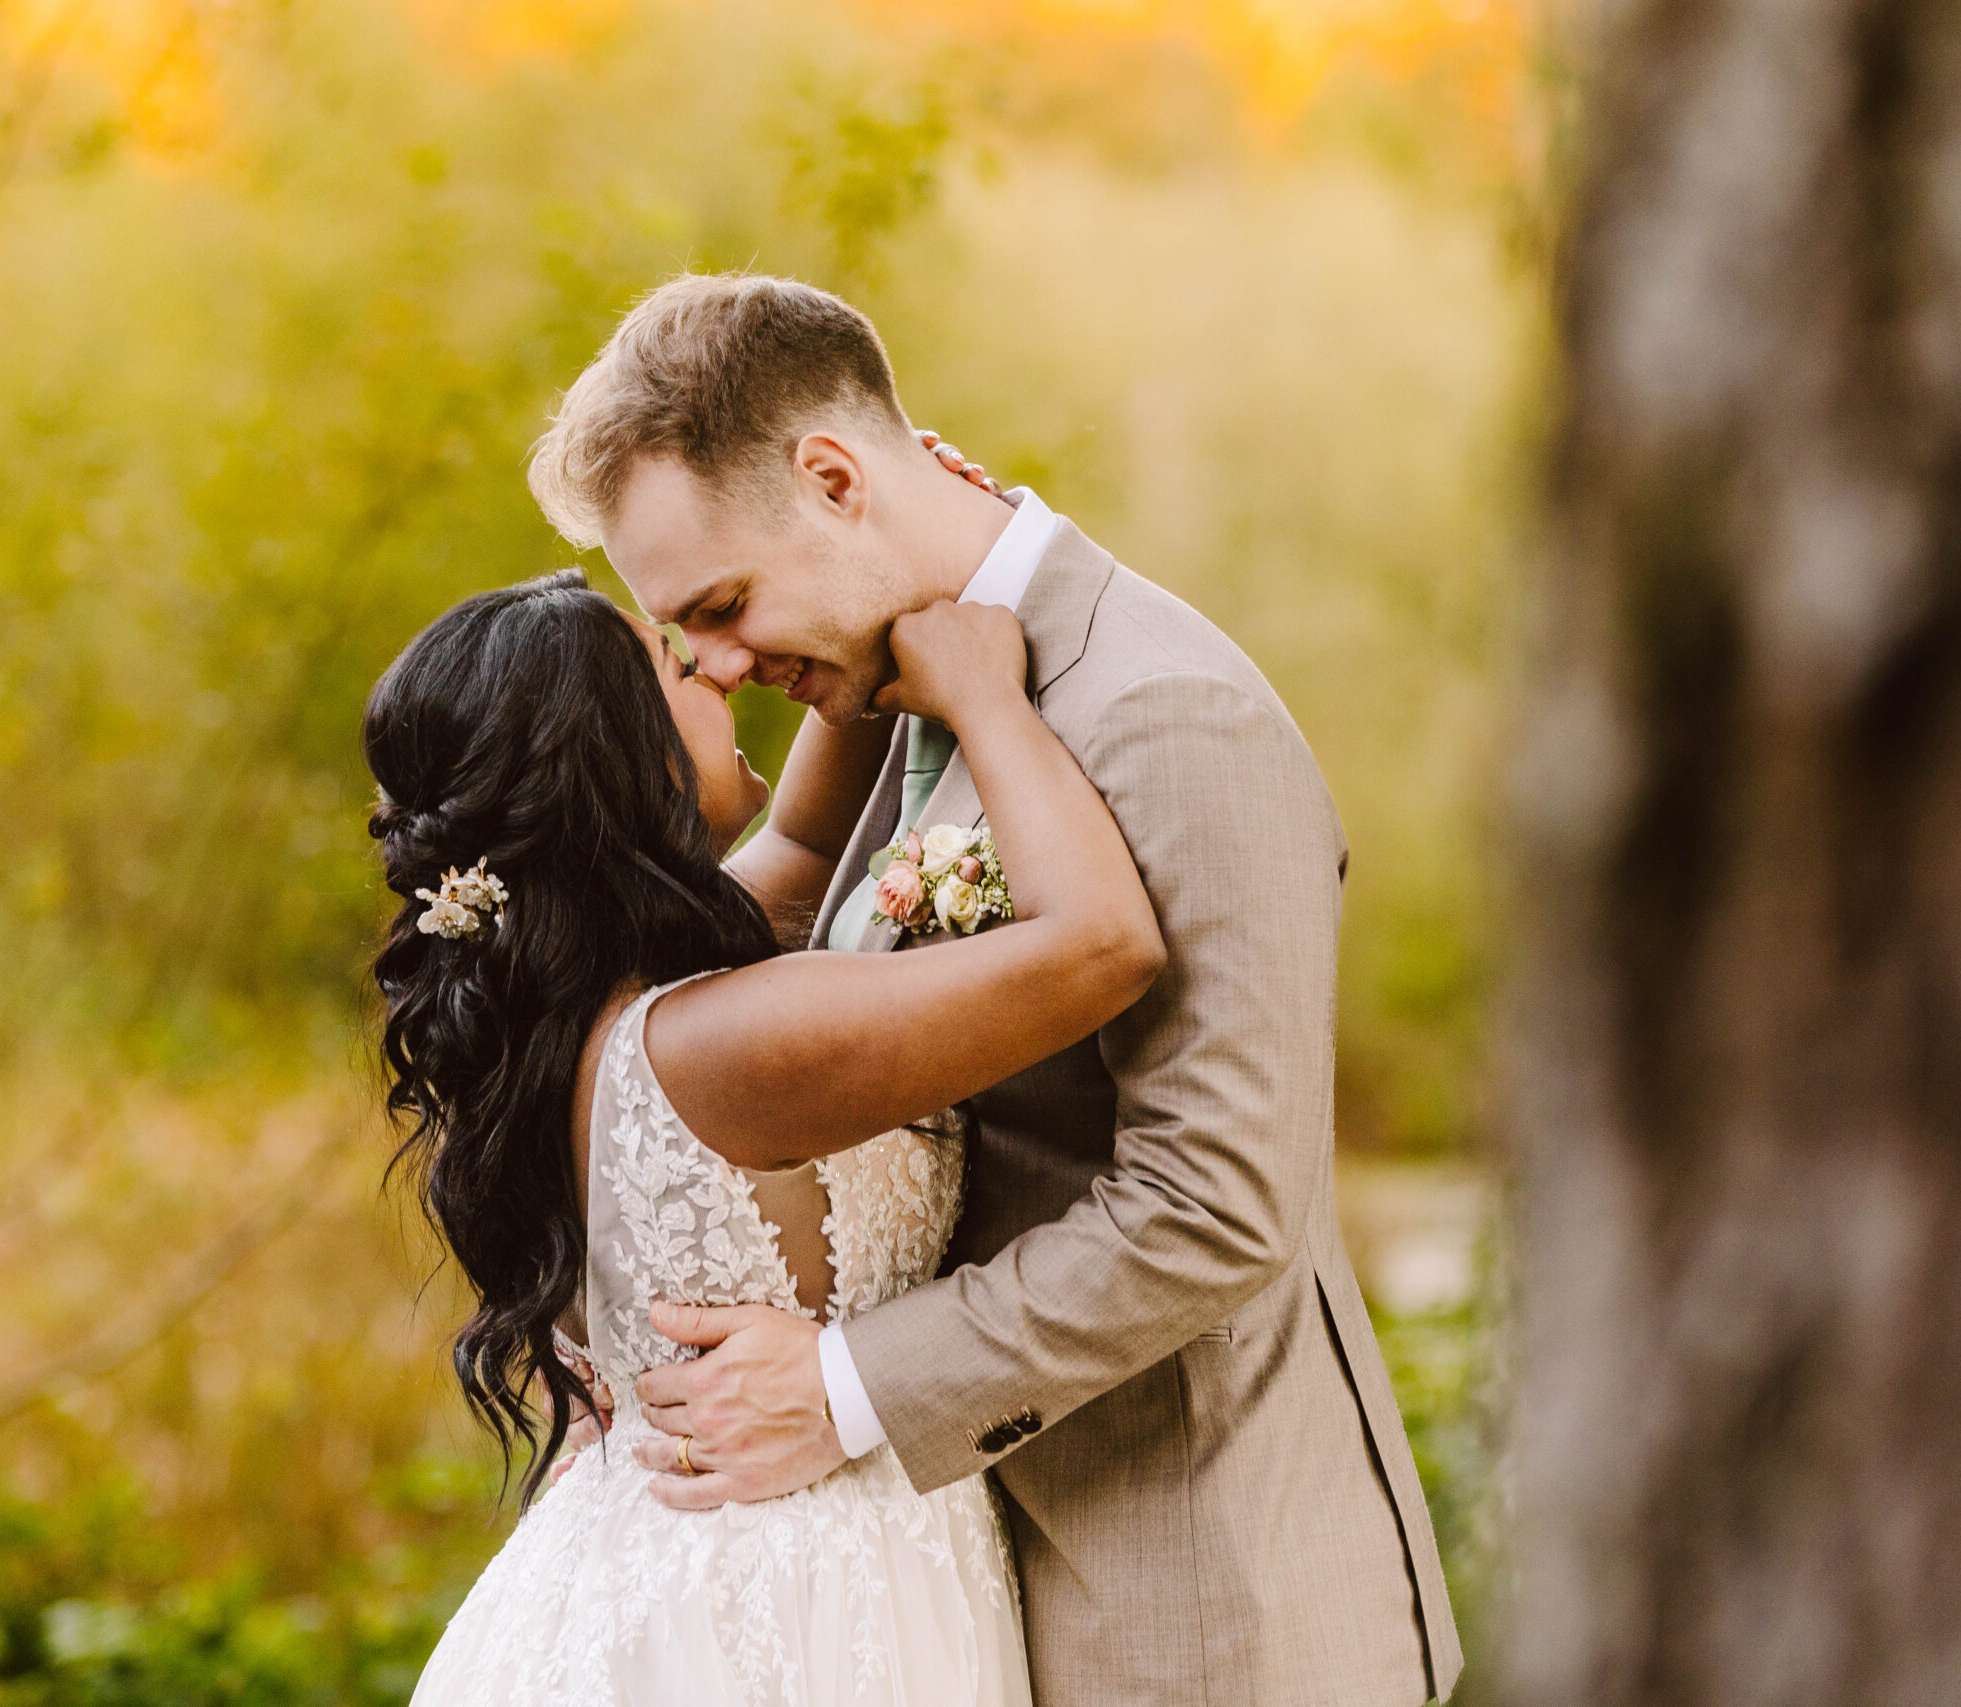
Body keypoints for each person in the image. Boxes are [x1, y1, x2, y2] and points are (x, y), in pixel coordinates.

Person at [531, 272, 1462, 1706]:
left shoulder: (1163, 713)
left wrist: (839, 1386)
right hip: (966, 1599)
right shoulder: (890, 700)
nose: (714, 665)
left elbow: (1220, 1199)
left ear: (834, 478)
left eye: (720, 604)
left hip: (1200, 1608)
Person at [365, 548, 1166, 1701]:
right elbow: (1101, 945)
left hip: (653, 1569)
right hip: (786, 1607)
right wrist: (986, 699)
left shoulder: (570, 1017)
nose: (727, 676)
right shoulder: (726, 1044)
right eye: (683, 665)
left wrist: (853, 580)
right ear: (618, 758)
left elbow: (797, 845)